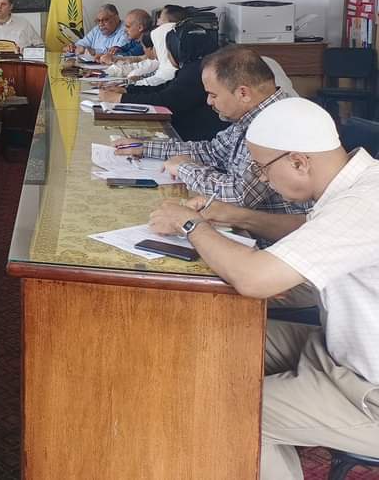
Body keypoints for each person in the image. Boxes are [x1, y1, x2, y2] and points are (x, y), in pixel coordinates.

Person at [148, 97, 379, 480]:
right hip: (337, 352)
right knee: (211, 335)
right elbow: (310, 230)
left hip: (367, 392)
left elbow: (254, 279)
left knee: (229, 409)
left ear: (299, 162)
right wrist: (233, 214)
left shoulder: (364, 204)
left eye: (262, 168)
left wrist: (192, 225)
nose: (261, 179)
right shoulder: (358, 181)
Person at [117, 45, 312, 245]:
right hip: (246, 231)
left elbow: (240, 195)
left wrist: (184, 168)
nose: (209, 101)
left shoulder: (275, 124)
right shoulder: (253, 115)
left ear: (243, 93)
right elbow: (212, 151)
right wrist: (146, 147)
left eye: (213, 94)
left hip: (274, 245)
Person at [100, 22, 227, 142]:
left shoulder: (196, 71)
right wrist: (127, 90)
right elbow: (165, 88)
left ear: (178, 49)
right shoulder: (195, 66)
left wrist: (120, 99)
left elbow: (166, 100)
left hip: (192, 137)